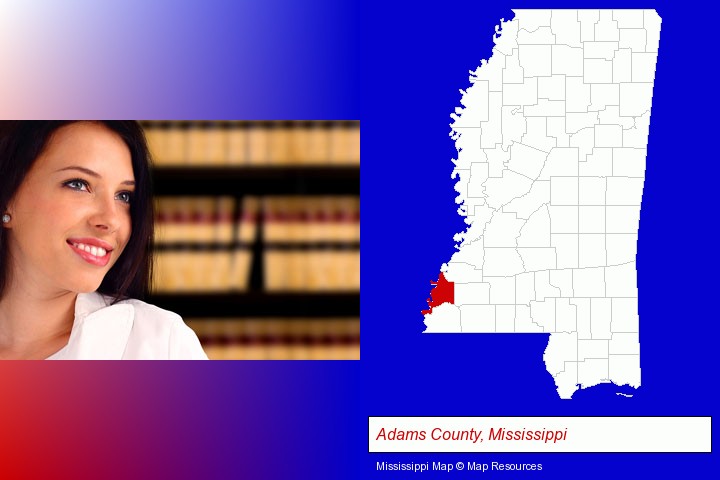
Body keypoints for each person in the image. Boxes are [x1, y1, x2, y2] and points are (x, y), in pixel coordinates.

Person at [0, 121, 207, 359]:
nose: (111, 220)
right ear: (7, 197)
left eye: (124, 196)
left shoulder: (160, 345)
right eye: (78, 184)